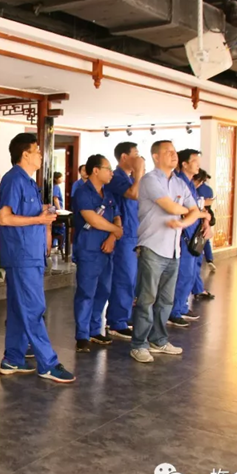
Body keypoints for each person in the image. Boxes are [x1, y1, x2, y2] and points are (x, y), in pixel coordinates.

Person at [0, 133, 75, 382]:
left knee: (19, 309)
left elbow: (26, 212)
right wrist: (39, 219)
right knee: (33, 308)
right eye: (37, 151)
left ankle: (13, 358)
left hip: (30, 254)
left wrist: (43, 212)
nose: (41, 155)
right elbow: (5, 218)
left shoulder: (28, 182)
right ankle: (48, 363)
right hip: (21, 255)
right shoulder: (13, 180)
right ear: (25, 154)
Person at [130, 141, 201, 363]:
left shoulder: (179, 183)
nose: (174, 154)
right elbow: (171, 207)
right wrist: (187, 212)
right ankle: (139, 344)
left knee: (166, 300)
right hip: (153, 246)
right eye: (168, 152)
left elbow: (195, 211)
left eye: (174, 151)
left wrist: (183, 222)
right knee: (147, 299)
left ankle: (158, 340)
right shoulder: (150, 180)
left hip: (174, 250)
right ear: (155, 156)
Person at [73, 154, 122, 352]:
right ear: (95, 170)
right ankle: (82, 335)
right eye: (107, 169)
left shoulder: (108, 193)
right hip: (89, 249)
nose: (111, 173)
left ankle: (95, 330)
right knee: (86, 292)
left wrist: (112, 237)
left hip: (106, 250)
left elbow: (117, 216)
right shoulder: (83, 192)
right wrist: (115, 230)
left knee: (103, 290)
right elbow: (92, 219)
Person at [168, 149, 213, 327]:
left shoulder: (190, 185)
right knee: (183, 274)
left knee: (191, 274)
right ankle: (174, 311)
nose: (198, 165)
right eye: (194, 161)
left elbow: (197, 208)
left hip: (193, 233)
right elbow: (184, 210)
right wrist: (202, 215)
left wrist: (205, 220)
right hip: (183, 236)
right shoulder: (178, 183)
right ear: (184, 164)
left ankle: (182, 306)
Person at [105, 142, 144, 340]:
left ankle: (122, 317)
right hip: (123, 234)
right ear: (124, 157)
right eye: (135, 154)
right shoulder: (116, 178)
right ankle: (117, 321)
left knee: (131, 278)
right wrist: (139, 172)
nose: (139, 158)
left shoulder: (129, 178)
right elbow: (133, 194)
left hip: (134, 233)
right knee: (124, 277)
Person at [193, 170, 216, 271]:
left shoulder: (195, 188)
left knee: (199, 238)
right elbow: (208, 205)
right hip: (206, 215)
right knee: (205, 239)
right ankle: (209, 259)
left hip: (198, 215)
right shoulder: (209, 190)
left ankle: (202, 258)